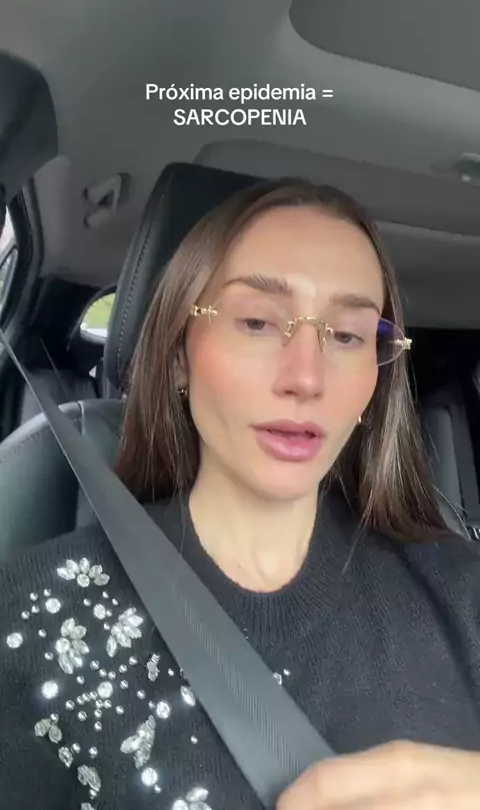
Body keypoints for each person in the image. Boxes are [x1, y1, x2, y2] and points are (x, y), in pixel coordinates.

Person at [1, 177, 480, 810]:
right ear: (179, 354)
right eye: (257, 322)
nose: (306, 378)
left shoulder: (462, 593)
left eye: (346, 335)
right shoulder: (28, 619)